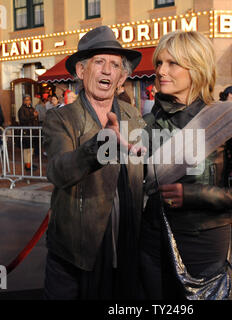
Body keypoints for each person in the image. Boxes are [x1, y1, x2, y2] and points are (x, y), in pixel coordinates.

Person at [140, 30, 232, 300]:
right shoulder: (150, 120)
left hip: (203, 244)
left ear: (196, 68)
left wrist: (196, 195)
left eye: (172, 63)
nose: (161, 70)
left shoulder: (228, 117)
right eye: (159, 63)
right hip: (152, 239)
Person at [42, 25, 145, 299]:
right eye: (99, 62)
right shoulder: (61, 119)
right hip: (75, 256)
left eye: (115, 65)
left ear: (122, 77)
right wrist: (100, 144)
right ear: (81, 71)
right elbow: (59, 171)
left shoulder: (134, 116)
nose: (108, 71)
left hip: (126, 250)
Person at [18, 95, 39, 170]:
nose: (28, 101)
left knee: (31, 149)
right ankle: (27, 166)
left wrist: (36, 116)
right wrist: (33, 116)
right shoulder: (22, 109)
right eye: (26, 100)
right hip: (26, 132)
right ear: (23, 101)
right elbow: (23, 120)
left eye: (29, 100)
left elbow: (35, 119)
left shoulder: (32, 108)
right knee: (27, 149)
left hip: (33, 132)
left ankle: (29, 163)